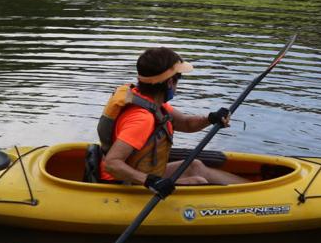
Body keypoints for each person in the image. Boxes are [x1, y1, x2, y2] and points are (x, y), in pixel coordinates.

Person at [100, 47, 246, 196]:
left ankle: (251, 190)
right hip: (124, 185)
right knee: (198, 181)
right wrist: (149, 181)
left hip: (141, 176)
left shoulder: (149, 102)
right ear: (170, 82)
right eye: (178, 79)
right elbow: (111, 164)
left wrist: (210, 118)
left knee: (195, 167)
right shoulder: (142, 119)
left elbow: (185, 123)